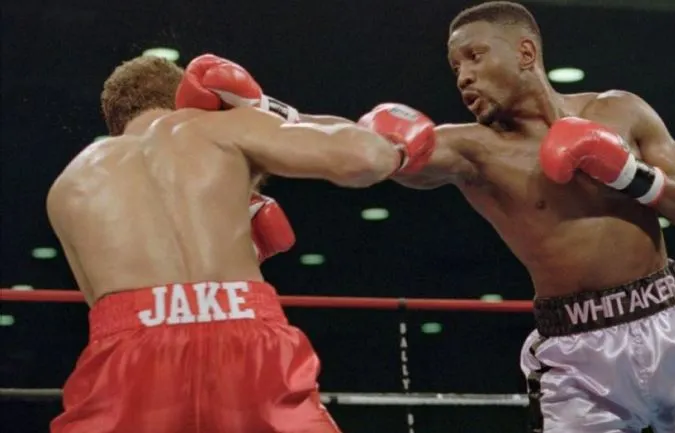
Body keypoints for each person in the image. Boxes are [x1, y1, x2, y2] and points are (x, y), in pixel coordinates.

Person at [367, 2, 675, 432]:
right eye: (455, 66)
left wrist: (630, 175)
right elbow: (376, 159)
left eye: (475, 56)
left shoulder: (620, 112)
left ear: (526, 53)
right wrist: (305, 124)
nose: (463, 77)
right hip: (577, 358)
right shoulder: (472, 150)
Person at [46, 53, 436, 433]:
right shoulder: (216, 128)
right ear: (186, 98)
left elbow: (108, 303)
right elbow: (362, 158)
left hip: (128, 354)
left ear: (114, 120)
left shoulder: (69, 184)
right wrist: (395, 148)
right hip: (244, 333)